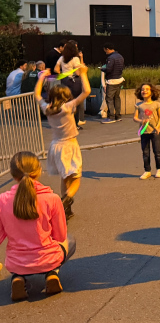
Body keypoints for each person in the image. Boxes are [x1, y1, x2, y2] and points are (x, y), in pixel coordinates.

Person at [0, 152, 76, 301]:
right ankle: (52, 273)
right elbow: (60, 236)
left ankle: (18, 278)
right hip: (48, 258)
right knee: (70, 240)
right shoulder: (52, 199)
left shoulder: (2, 200)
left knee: (18, 259)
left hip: (16, 262)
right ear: (39, 171)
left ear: (13, 175)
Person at [34, 65, 91, 220]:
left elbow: (37, 95)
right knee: (76, 178)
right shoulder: (67, 107)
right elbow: (86, 91)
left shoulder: (47, 108)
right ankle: (65, 201)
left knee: (64, 178)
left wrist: (42, 77)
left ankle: (66, 211)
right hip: (70, 145)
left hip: (56, 146)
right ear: (67, 96)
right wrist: (83, 74)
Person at [133, 83, 160, 180]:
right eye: (143, 89)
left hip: (155, 132)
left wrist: (157, 127)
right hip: (144, 132)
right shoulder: (139, 105)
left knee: (157, 151)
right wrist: (141, 121)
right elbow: (135, 118)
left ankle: (159, 169)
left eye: (147, 89)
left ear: (152, 92)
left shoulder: (156, 104)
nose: (144, 91)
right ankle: (147, 171)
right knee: (145, 152)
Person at [54, 41, 85, 128]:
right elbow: (78, 72)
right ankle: (74, 123)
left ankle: (65, 122)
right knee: (75, 102)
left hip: (64, 81)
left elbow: (56, 69)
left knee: (65, 102)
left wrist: (63, 74)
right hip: (73, 81)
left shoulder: (61, 58)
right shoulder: (75, 59)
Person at [100, 43, 124, 124]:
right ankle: (118, 116)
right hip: (119, 79)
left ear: (107, 49)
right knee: (117, 98)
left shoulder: (111, 58)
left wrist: (102, 69)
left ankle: (111, 117)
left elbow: (109, 69)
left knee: (109, 98)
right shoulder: (120, 56)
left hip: (112, 81)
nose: (105, 52)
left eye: (105, 50)